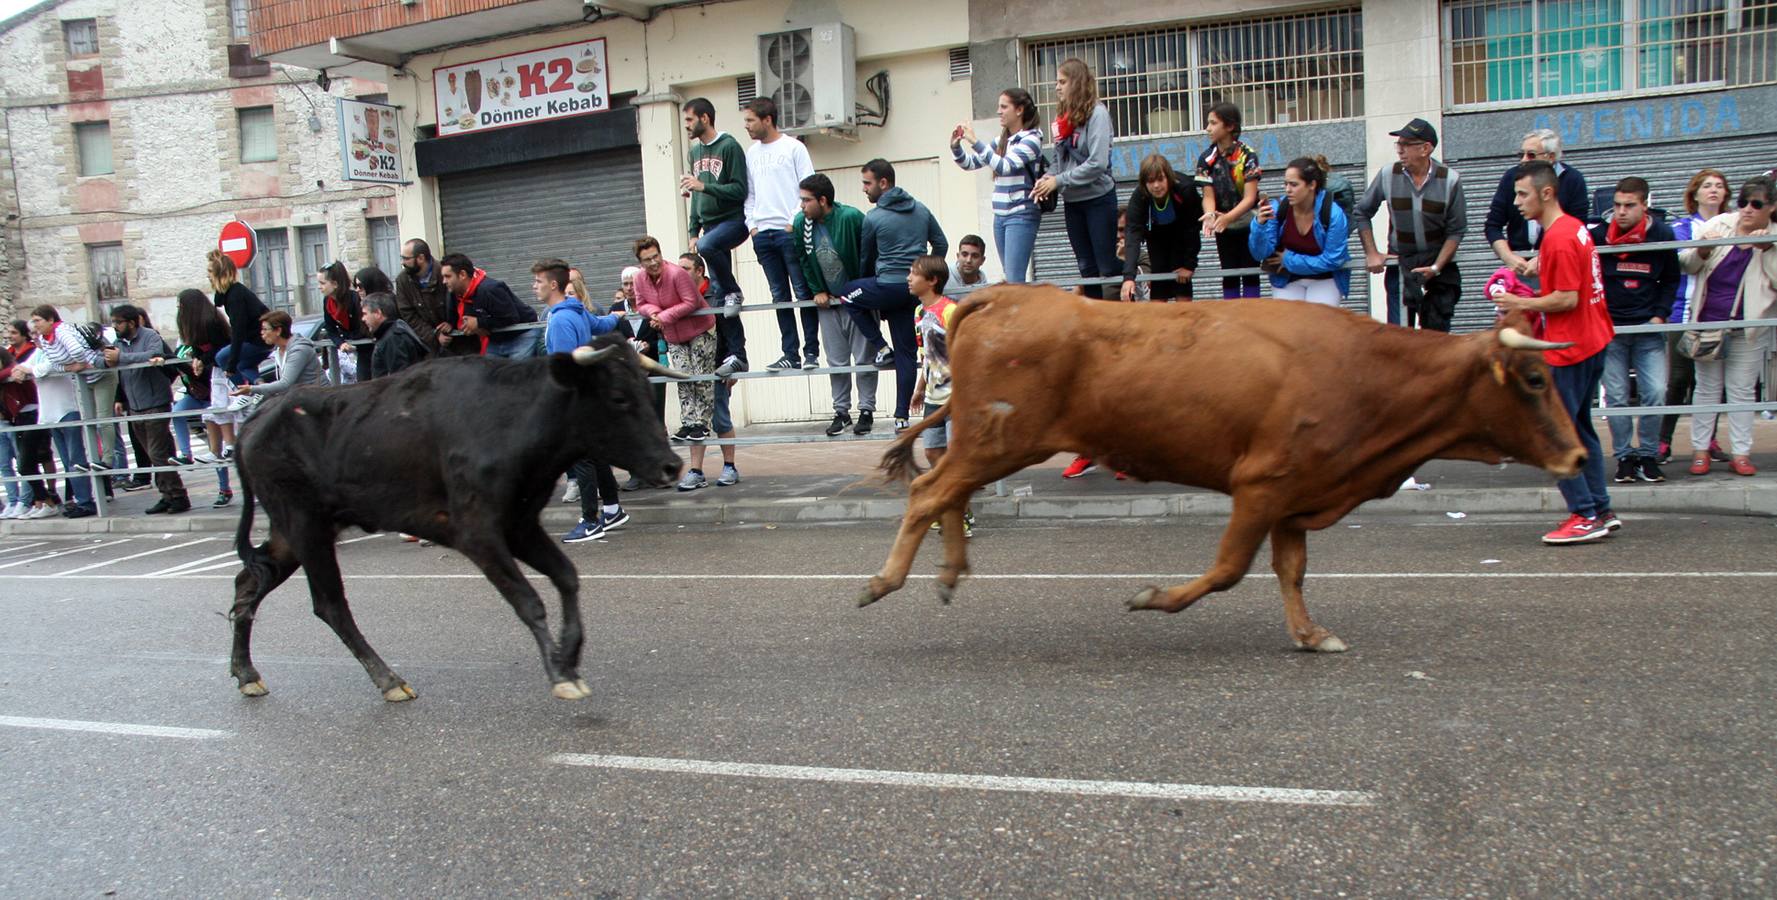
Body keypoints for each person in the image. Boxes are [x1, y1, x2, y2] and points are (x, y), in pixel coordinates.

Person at [1492, 161, 1616, 544]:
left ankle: (1584, 514)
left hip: (1569, 348)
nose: (1516, 202)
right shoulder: (1573, 228)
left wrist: (1519, 303)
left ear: (1546, 193)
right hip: (1593, 340)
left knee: (1552, 431)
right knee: (1580, 428)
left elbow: (1566, 298)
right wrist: (1539, 270)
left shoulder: (1558, 238)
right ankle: (1600, 508)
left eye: (1522, 194)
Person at [838, 159, 949, 432]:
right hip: (913, 291)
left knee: (847, 294)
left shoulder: (873, 217)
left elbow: (866, 259)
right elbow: (942, 244)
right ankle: (901, 416)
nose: (864, 189)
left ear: (884, 183)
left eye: (867, 183)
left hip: (886, 286)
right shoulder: (921, 209)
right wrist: (927, 277)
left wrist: (872, 291)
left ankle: (881, 347)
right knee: (907, 354)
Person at [1677, 175, 1777, 477]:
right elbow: (1687, 264)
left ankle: (1741, 454)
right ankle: (1700, 451)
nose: (1747, 209)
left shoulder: (1773, 235)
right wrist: (1702, 250)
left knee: (1741, 392)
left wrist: (1767, 249)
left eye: (1756, 204)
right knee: (1706, 389)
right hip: (1709, 322)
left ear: (1771, 207)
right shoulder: (1719, 224)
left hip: (1748, 327)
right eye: (1743, 202)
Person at [530, 257, 631, 542]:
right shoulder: (576, 310)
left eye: (538, 281)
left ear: (553, 285)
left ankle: (590, 521)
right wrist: (617, 316)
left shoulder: (561, 319)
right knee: (595, 454)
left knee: (581, 457)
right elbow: (600, 324)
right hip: (590, 392)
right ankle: (612, 509)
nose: (534, 286)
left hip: (576, 397)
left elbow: (565, 367)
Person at [1591, 176, 1679, 484]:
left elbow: (1671, 279)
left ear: (1645, 205)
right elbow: (1590, 279)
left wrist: (1660, 315)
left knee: (1655, 392)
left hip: (1647, 327)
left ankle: (1649, 456)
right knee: (1616, 397)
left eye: (1629, 205)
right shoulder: (1598, 235)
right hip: (1611, 328)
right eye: (1617, 205)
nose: (1621, 211)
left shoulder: (1662, 234)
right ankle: (1625, 457)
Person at [1354, 118, 1468, 331]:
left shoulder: (1450, 179)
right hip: (1401, 265)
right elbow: (1361, 212)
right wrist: (1372, 253)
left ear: (1425, 148)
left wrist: (1436, 267)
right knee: (1399, 336)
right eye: (1398, 144)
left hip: (1437, 268)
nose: (1400, 150)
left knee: (1436, 338)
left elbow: (1457, 230)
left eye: (1406, 145)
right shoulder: (1388, 174)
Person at [793, 173, 880, 437]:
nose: (802, 206)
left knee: (864, 358)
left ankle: (866, 410)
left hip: (858, 301)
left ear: (822, 200)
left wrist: (864, 289)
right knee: (836, 360)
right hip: (829, 302)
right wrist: (816, 290)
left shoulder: (851, 217)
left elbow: (870, 253)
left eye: (806, 200)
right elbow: (803, 260)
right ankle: (841, 411)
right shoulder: (801, 223)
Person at [741, 96, 820, 371]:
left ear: (767, 120)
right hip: (762, 234)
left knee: (802, 291)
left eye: (751, 120)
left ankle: (811, 352)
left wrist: (793, 221)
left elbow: (808, 186)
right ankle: (790, 354)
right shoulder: (751, 153)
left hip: (789, 231)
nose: (747, 126)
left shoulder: (794, 147)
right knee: (779, 296)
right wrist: (752, 226)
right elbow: (750, 193)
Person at [1031, 58, 1118, 301]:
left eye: (1062, 82)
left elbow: (1097, 163)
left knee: (1107, 266)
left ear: (1077, 83)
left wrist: (1058, 181)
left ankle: (1134, 278)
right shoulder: (1063, 117)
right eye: (1056, 82)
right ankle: (1095, 317)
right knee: (1086, 269)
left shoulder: (1098, 114)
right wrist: (1047, 179)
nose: (1057, 87)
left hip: (1099, 199)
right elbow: (1058, 160)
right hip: (1073, 202)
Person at [1662, 168, 1731, 464]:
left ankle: (1708, 440)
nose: (1713, 190)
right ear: (1695, 194)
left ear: (1726, 193)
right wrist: (1704, 244)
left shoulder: (1734, 224)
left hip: (1719, 312)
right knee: (1679, 378)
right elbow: (1679, 260)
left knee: (1712, 383)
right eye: (1706, 186)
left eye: (1719, 185)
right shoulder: (1682, 226)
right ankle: (1663, 440)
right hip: (1684, 310)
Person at [631, 236, 718, 469]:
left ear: (661, 254)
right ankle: (688, 422)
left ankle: (702, 423)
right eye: (647, 259)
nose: (653, 263)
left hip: (700, 329)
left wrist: (663, 316)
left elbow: (691, 302)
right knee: (681, 376)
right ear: (640, 262)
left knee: (701, 376)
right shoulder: (640, 279)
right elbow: (641, 303)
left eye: (655, 257)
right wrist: (654, 313)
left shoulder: (676, 274)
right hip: (673, 334)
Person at [9, 306, 101, 517]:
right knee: (67, 460)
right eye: (33, 328)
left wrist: (32, 370)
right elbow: (26, 366)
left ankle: (86, 501)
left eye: (38, 322)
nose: (36, 332)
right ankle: (78, 500)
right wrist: (24, 370)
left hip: (67, 408)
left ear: (50, 320)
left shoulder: (58, 340)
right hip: (50, 413)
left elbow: (48, 367)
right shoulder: (43, 348)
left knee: (76, 458)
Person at [907, 254, 974, 537]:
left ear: (932, 280)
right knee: (933, 453)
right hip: (933, 397)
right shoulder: (919, 313)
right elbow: (927, 355)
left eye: (914, 273)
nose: (909, 278)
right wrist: (919, 388)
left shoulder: (950, 311)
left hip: (956, 398)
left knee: (953, 459)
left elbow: (968, 352)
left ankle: (960, 515)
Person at [952, 87, 1044, 283]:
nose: (998, 111)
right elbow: (970, 163)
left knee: (1014, 278)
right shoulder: (1003, 140)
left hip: (1021, 214)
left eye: (1004, 107)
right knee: (1010, 276)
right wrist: (956, 147)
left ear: (1019, 110)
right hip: (1001, 215)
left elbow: (1004, 166)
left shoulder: (1031, 139)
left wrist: (975, 141)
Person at [105, 304, 189, 514]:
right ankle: (167, 495)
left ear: (131, 323)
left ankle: (178, 495)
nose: (115, 326)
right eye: (113, 322)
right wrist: (106, 361)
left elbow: (153, 354)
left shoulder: (150, 335)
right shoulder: (118, 343)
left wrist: (120, 358)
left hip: (155, 402)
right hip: (135, 406)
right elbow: (107, 362)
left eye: (118, 322)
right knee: (157, 454)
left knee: (157, 453)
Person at [1485, 129, 1591, 282]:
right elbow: (1493, 225)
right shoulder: (1511, 177)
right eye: (1521, 154)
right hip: (1520, 266)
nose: (1523, 160)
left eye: (1531, 155)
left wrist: (1544, 257)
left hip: (1558, 264)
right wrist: (1508, 257)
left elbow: (1578, 227)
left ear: (1551, 157)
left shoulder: (1573, 179)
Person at [679, 97, 750, 323]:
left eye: (690, 119)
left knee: (707, 246)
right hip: (709, 226)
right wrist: (693, 231)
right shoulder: (694, 152)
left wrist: (704, 186)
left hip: (733, 221)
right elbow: (696, 195)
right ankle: (734, 345)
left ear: (705, 118)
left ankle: (734, 291)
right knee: (720, 295)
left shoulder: (729, 146)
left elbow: (740, 189)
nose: (686, 125)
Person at [1248, 156, 1353, 305]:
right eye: (1285, 184)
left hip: (1325, 278)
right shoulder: (1278, 209)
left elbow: (1333, 259)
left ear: (1312, 185)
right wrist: (1259, 225)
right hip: (1286, 278)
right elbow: (1260, 254)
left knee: (1318, 320)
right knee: (1289, 320)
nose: (1287, 190)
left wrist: (1289, 260)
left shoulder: (1332, 214)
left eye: (1294, 184)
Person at [678, 252, 743, 488]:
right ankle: (696, 471)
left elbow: (734, 335)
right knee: (696, 422)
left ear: (699, 271)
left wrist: (732, 367)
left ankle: (729, 467)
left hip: (716, 368)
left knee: (720, 418)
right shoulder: (680, 298)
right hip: (693, 370)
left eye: (685, 269)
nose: (680, 273)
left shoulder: (717, 297)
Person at [1195, 101, 1265, 299]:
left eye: (1213, 123)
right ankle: (1230, 313)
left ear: (1230, 126)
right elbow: (1208, 196)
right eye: (1208, 123)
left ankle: (1251, 312)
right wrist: (1210, 214)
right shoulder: (1206, 158)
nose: (1208, 128)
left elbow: (1250, 198)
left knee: (1251, 273)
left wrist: (1228, 218)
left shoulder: (1248, 155)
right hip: (1223, 225)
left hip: (1249, 222)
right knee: (1229, 274)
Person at [1122, 154, 1200, 303]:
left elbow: (1193, 228)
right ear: (1144, 183)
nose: (1156, 186)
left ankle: (1184, 314)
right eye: (1151, 181)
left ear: (1168, 178)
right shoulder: (1140, 196)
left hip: (1181, 232)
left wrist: (1190, 265)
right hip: (1155, 235)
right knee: (1158, 271)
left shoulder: (1185, 189)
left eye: (1160, 179)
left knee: (1181, 277)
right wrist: (1129, 277)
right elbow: (1132, 235)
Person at [437, 252, 539, 359]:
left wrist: (479, 323)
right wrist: (449, 326)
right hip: (496, 339)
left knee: (516, 369)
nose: (444, 281)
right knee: (489, 369)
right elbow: (461, 318)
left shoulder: (489, 289)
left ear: (462, 275)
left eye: (447, 276)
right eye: (443, 277)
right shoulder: (453, 293)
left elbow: (511, 317)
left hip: (522, 334)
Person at [231, 310, 331, 401]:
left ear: (278, 331)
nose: (262, 333)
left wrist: (252, 389)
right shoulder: (279, 349)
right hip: (301, 398)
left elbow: (285, 383)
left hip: (318, 398)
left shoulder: (299, 350)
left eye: (265, 329)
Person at [209, 249, 272, 387]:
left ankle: (244, 391)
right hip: (259, 339)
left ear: (219, 276)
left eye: (211, 275)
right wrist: (219, 289)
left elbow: (239, 331)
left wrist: (231, 365)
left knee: (222, 357)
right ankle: (260, 387)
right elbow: (218, 302)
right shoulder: (231, 292)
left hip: (259, 339)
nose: (209, 279)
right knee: (244, 366)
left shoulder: (235, 296)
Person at [395, 238, 451, 355]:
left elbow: (458, 302)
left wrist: (451, 324)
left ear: (421, 258)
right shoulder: (402, 280)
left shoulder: (445, 273)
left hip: (457, 343)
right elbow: (408, 315)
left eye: (406, 259)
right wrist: (434, 335)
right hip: (428, 347)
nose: (402, 263)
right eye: (402, 258)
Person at [317, 260, 367, 383]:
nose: (319, 287)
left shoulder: (355, 298)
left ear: (335, 284)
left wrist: (349, 338)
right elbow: (330, 328)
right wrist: (340, 343)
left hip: (366, 347)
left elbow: (363, 326)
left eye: (322, 283)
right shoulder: (327, 301)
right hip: (350, 348)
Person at [363, 292, 430, 379]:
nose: (363, 319)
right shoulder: (389, 334)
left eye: (365, 314)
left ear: (378, 313)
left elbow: (399, 379)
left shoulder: (393, 338)